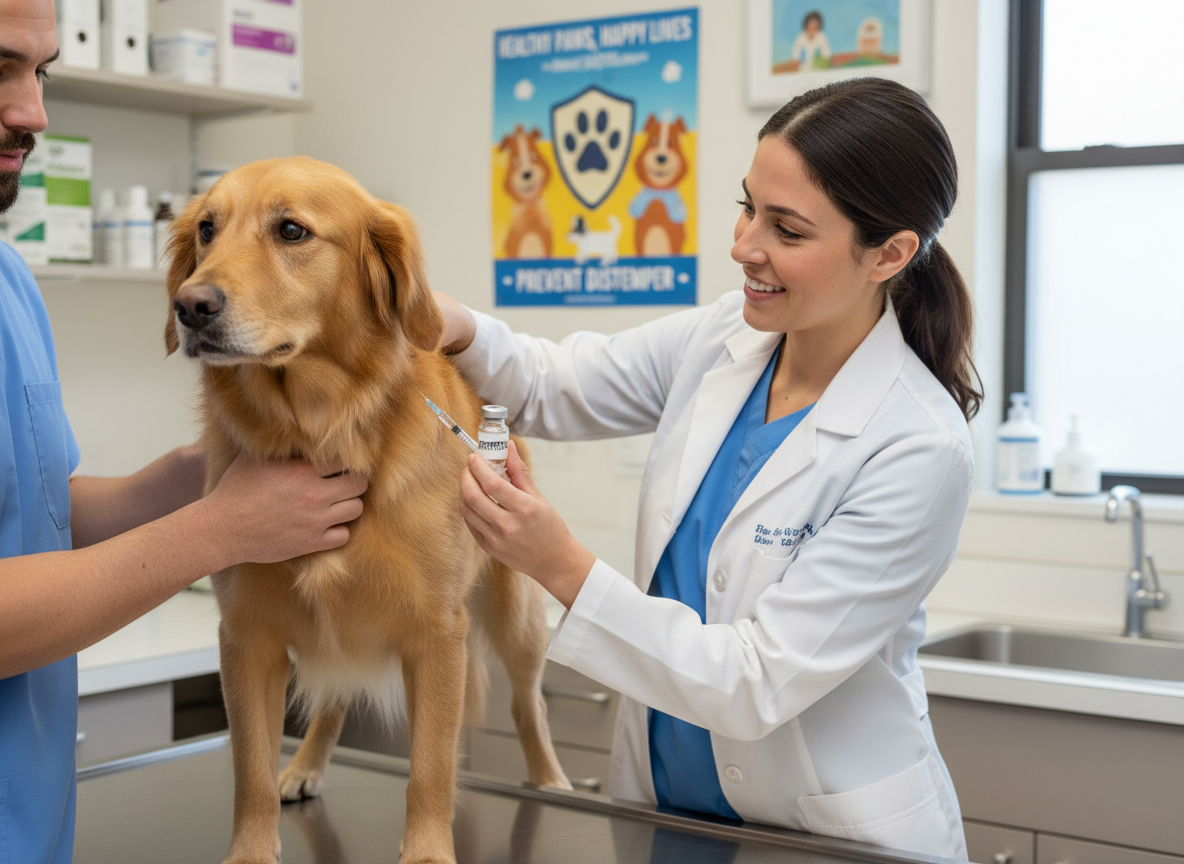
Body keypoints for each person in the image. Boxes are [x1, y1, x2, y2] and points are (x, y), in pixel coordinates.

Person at [439, 77, 980, 859]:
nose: (743, 245)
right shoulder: (729, 335)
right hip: (671, 816)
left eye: (786, 230)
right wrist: (451, 326)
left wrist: (557, 564)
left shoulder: (916, 446)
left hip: (823, 837)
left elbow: (755, 682)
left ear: (889, 254)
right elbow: (551, 386)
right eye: (748, 206)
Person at [0, 2, 368, 861]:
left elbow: (30, 511)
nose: (34, 114)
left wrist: (177, 481)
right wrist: (217, 528)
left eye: (41, 73)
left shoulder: (11, 278)